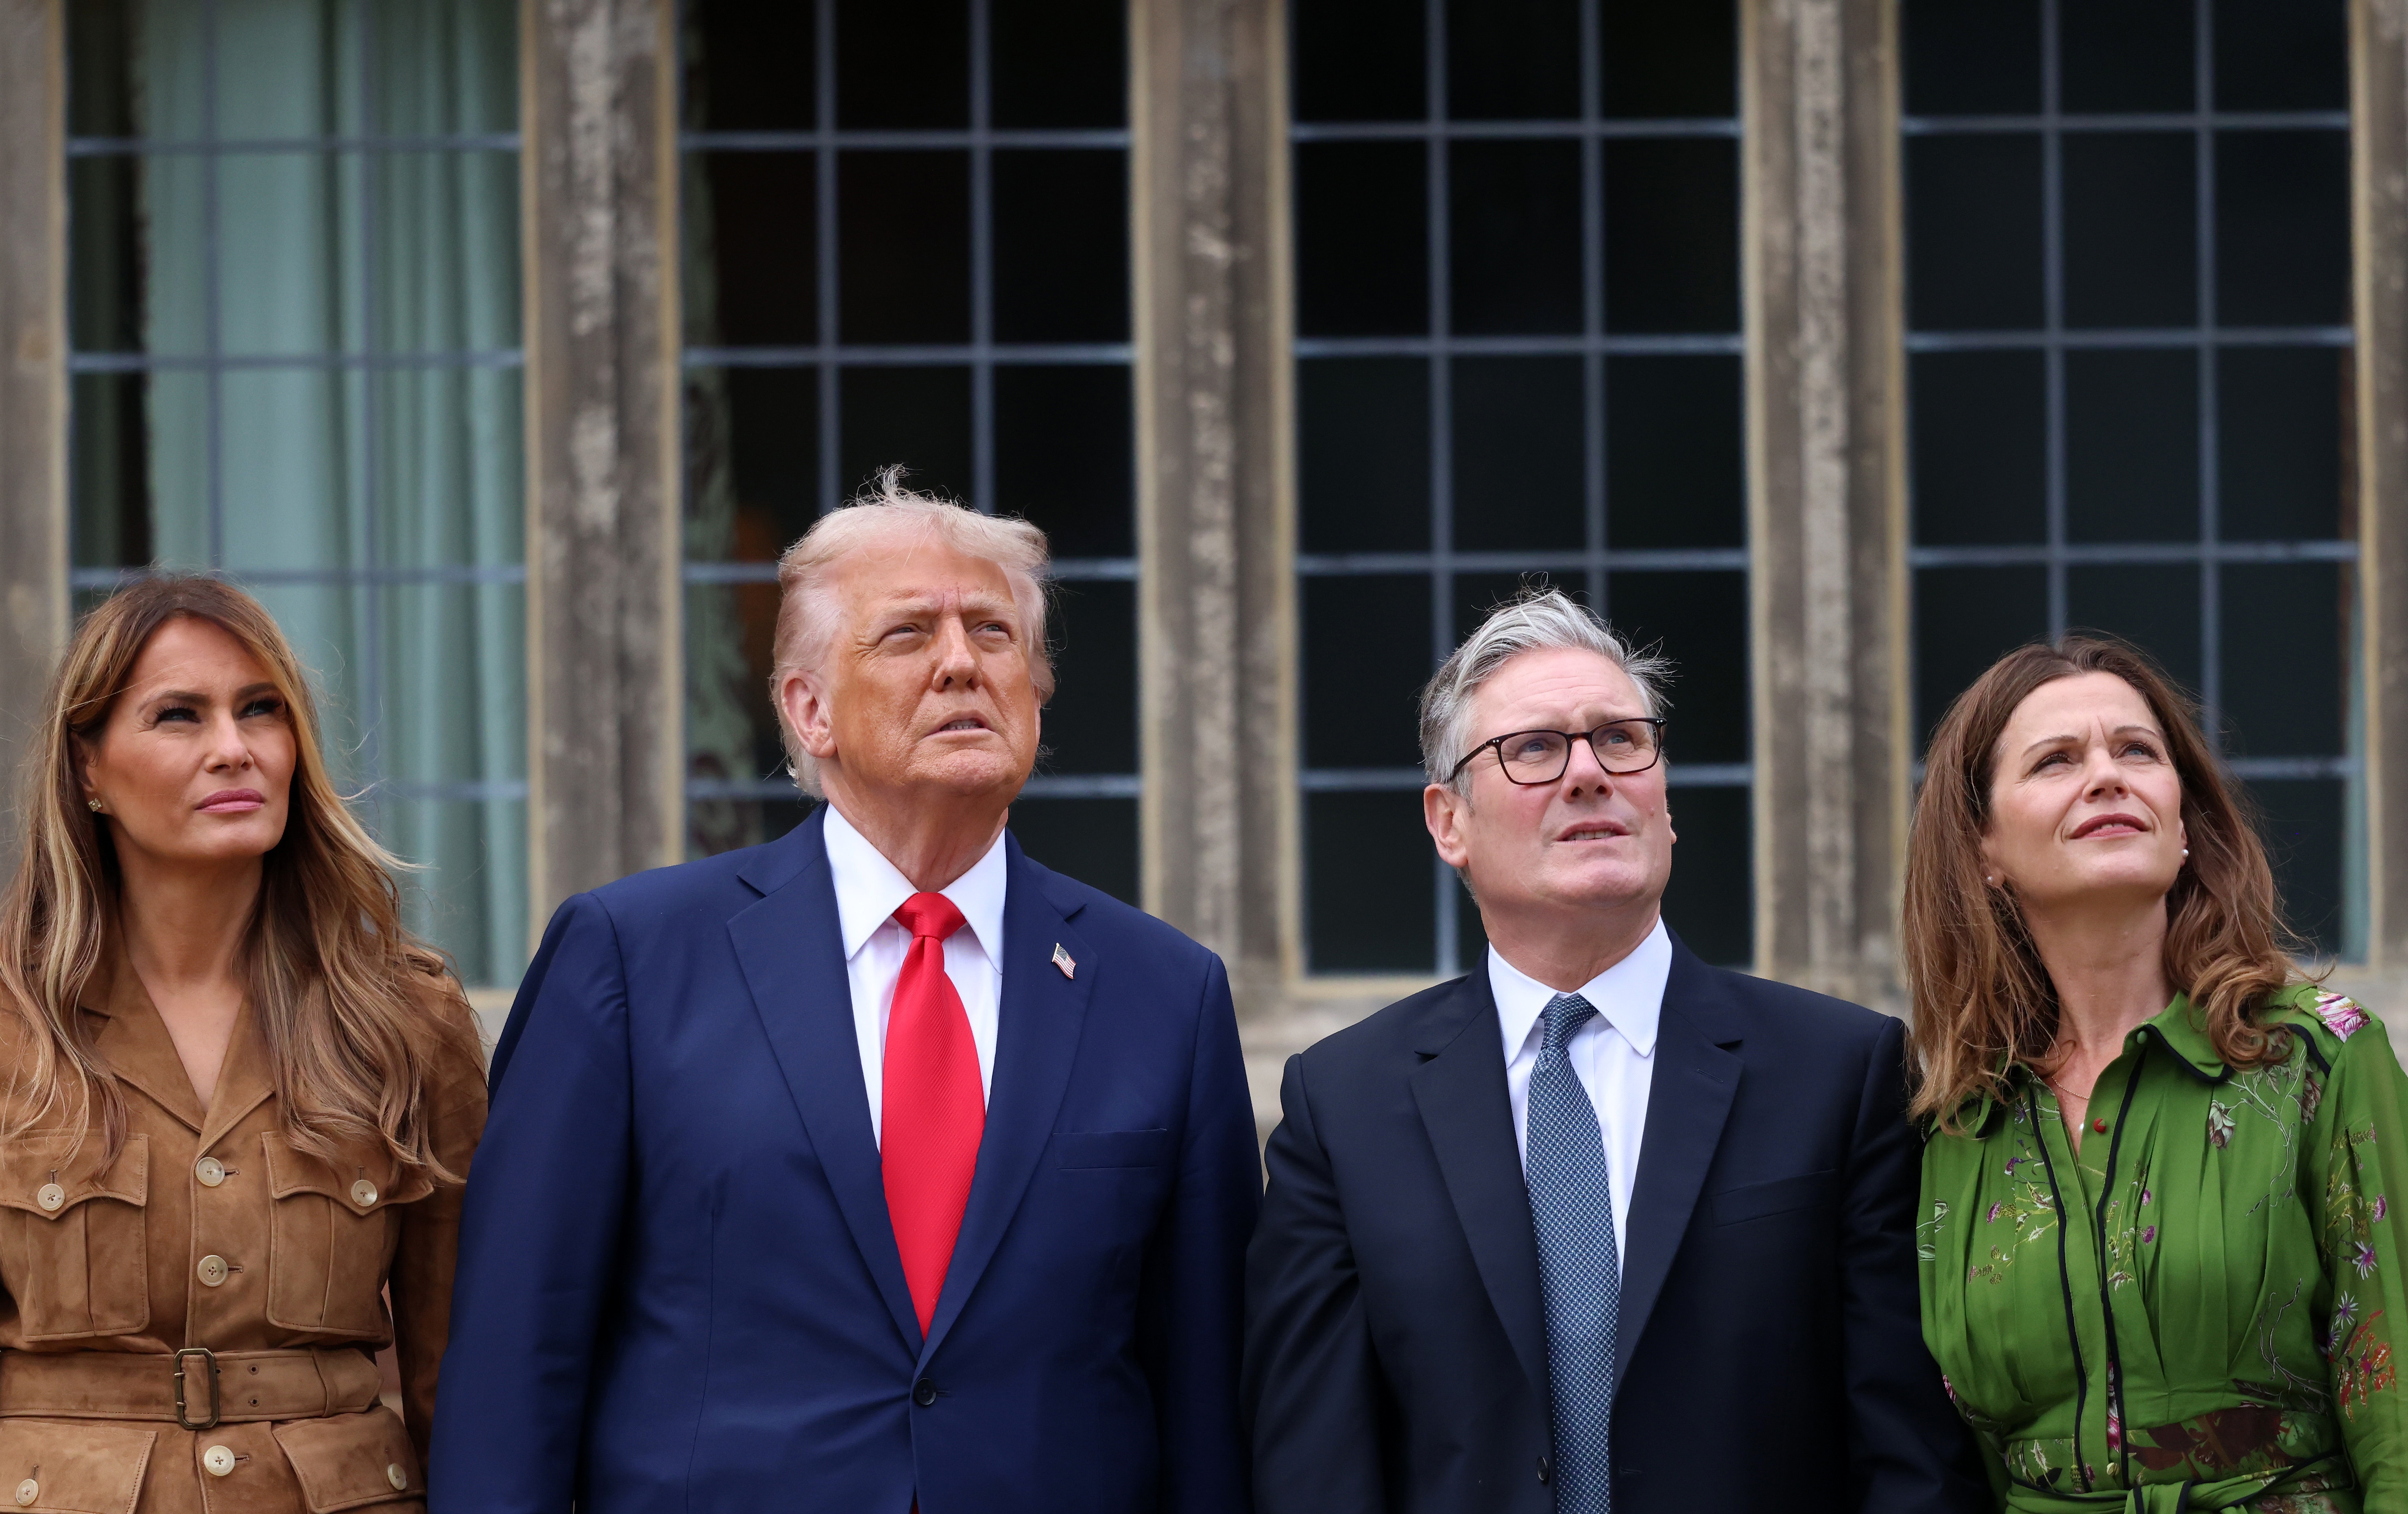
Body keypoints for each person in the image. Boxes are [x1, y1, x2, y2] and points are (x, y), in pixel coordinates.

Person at [430, 472, 1261, 1514]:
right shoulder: (631, 959)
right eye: (908, 634)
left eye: (995, 633)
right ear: (807, 708)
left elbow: (1209, 1404)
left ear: (1037, 693)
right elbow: (517, 1363)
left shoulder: (1164, 992)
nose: (962, 661)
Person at [1243, 589, 1989, 1514]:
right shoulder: (1342, 1105)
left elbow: (1908, 1453)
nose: (1589, 773)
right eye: (1534, 749)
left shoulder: (1837, 1071)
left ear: (1663, 799)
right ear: (1448, 823)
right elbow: (1314, 1467)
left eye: (1620, 739)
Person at [0, 576, 487, 1514]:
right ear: (89, 770)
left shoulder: (404, 1019)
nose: (234, 749)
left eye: (261, 710)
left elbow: (457, 1375)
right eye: (179, 716)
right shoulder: (14, 1021)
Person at [1907, 636, 2408, 1512]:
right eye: (2055, 760)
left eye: (2135, 751)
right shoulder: (1954, 1120)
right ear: (1982, 846)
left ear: (2181, 825)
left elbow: (2397, 1413)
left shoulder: (2317, 1060)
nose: (2106, 776)